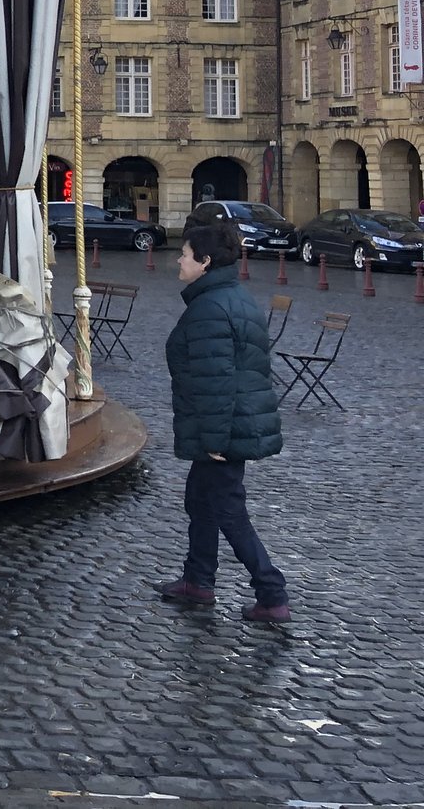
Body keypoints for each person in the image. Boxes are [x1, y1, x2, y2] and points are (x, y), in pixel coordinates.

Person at [157, 219, 290, 622]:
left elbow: (215, 381)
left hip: (224, 430)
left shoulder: (210, 310)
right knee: (200, 500)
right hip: (233, 424)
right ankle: (198, 580)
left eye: (185, 254)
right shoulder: (231, 297)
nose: (179, 260)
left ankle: (271, 593)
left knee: (228, 510)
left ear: (205, 261)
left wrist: (215, 441)